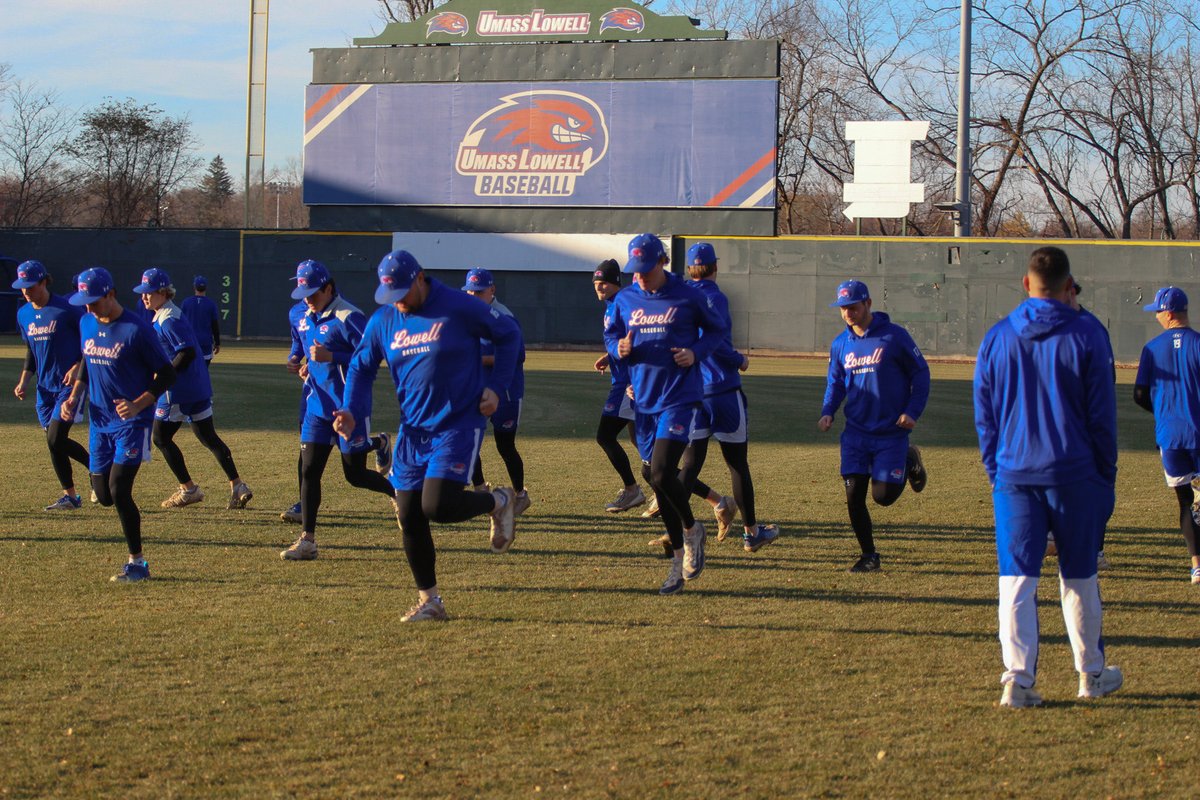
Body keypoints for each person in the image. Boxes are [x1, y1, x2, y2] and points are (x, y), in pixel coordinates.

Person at [336, 249, 522, 622]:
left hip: (457, 423)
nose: (399, 302)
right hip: (412, 431)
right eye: (391, 296)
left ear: (420, 278)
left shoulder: (458, 306)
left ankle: (499, 501)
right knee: (409, 512)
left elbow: (509, 336)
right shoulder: (384, 320)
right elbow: (360, 366)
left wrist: (498, 387)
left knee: (436, 506)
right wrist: (351, 411)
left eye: (403, 293)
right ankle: (430, 601)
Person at [974, 245, 1122, 708]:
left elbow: (985, 415)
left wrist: (997, 470)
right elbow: (1102, 416)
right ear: (1068, 286)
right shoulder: (1088, 333)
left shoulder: (997, 337)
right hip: (1075, 474)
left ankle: (1017, 681)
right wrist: (1105, 474)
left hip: (1015, 475)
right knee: (1078, 577)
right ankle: (1089, 676)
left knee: (1015, 580)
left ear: (1026, 284)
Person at [603, 233, 728, 595]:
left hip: (679, 397)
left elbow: (717, 330)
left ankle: (692, 529)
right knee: (657, 479)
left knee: (660, 471)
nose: (639, 276)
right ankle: (677, 561)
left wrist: (696, 352)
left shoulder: (689, 295)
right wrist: (619, 347)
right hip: (643, 398)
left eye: (645, 269)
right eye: (634, 270)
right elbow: (612, 335)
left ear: (662, 262)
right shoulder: (625, 298)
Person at [61, 267, 177, 582]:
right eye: (84, 302)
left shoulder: (136, 330)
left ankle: (137, 563)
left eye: (94, 301)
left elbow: (167, 373)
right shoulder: (86, 322)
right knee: (104, 494)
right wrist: (74, 397)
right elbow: (86, 360)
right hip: (99, 423)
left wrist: (139, 403)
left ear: (111, 294)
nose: (88, 308)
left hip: (132, 423)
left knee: (119, 491)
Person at [281, 259, 396, 561]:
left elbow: (372, 357)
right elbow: (301, 344)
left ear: (329, 288)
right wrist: (298, 362)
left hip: (349, 406)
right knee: (309, 470)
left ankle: (397, 493)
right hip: (316, 406)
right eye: (303, 293)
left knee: (355, 475)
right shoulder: (301, 315)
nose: (307, 300)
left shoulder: (350, 316)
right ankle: (308, 540)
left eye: (313, 293)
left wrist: (333, 355)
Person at [818, 279, 930, 573]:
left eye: (853, 307)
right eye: (843, 309)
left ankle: (909, 459)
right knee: (854, 496)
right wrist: (828, 411)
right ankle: (869, 556)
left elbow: (921, 374)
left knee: (883, 497)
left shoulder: (895, 337)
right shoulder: (840, 344)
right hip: (855, 434)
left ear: (868, 304)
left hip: (891, 433)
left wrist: (912, 410)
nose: (848, 314)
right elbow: (836, 382)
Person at [677, 242, 780, 553]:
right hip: (721, 389)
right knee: (737, 465)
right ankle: (751, 533)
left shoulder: (680, 296)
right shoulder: (713, 296)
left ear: (690, 269)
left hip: (693, 393)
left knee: (690, 465)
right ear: (715, 267)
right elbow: (716, 341)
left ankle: (677, 530)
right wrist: (739, 360)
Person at [132, 268, 252, 510]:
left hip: (178, 390)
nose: (145, 297)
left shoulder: (168, 318)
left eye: (149, 292)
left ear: (164, 292)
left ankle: (189, 489)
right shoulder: (168, 314)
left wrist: (164, 377)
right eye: (143, 292)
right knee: (207, 436)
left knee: (160, 438)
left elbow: (185, 352)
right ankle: (237, 485)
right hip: (197, 385)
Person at [1134, 286, 1200, 585]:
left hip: (1170, 436)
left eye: (1158, 311)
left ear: (1169, 313)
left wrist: (1162, 412)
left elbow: (1139, 394)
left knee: (1186, 501)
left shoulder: (1151, 348)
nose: (1157, 316)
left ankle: (1196, 566)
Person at [11, 260, 90, 511]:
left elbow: (89, 340)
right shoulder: (23, 313)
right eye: (22, 287)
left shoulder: (67, 309)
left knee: (56, 437)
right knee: (53, 441)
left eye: (31, 286)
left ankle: (97, 469)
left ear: (44, 281)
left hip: (69, 385)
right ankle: (71, 497)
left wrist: (78, 364)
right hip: (44, 389)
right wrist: (24, 379)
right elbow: (31, 351)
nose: (26, 291)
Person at [462, 268, 531, 515]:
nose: (473, 295)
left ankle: (521, 494)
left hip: (506, 392)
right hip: (476, 390)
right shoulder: (468, 315)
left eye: (478, 291)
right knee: (469, 442)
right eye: (469, 290)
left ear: (492, 290)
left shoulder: (504, 317)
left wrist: (480, 360)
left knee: (505, 446)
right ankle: (480, 488)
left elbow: (519, 355)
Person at [591, 259, 646, 513]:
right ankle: (662, 490)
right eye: (596, 283)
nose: (599, 287)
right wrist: (609, 355)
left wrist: (634, 378)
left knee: (605, 436)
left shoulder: (623, 303)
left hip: (628, 383)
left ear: (615, 282)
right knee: (640, 441)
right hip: (626, 378)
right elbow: (622, 341)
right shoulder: (613, 304)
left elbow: (638, 338)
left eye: (604, 282)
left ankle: (634, 490)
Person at [280, 297, 311, 524]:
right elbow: (298, 342)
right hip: (311, 389)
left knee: (354, 470)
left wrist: (324, 360)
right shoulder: (296, 311)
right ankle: (304, 503)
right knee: (307, 450)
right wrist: (294, 358)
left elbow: (354, 349)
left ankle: (377, 444)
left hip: (339, 390)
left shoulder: (341, 312)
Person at [179, 275, 221, 367]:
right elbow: (215, 325)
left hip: (189, 342)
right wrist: (217, 343)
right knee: (203, 373)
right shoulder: (211, 304)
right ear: (206, 287)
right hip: (205, 342)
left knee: (189, 371)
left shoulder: (186, 302)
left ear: (194, 286)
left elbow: (180, 323)